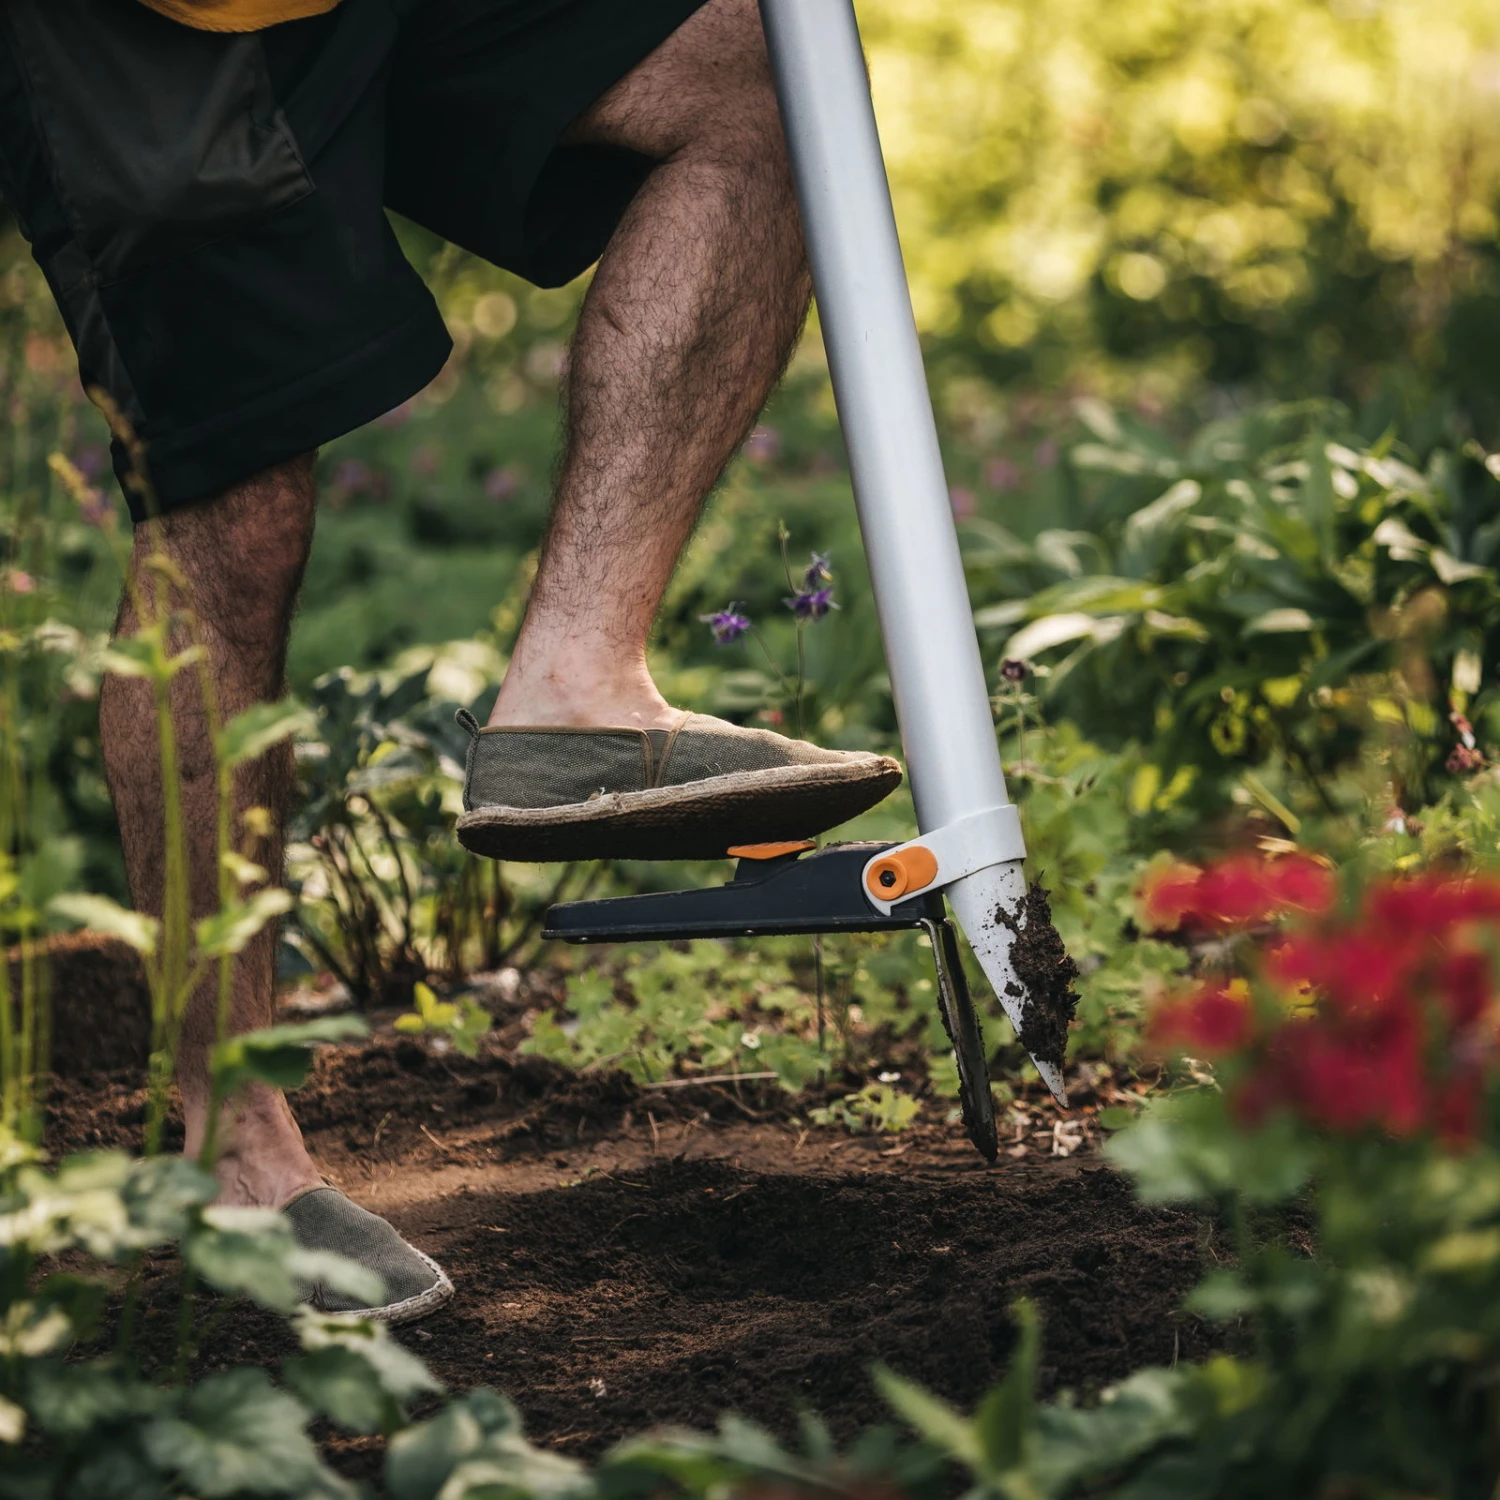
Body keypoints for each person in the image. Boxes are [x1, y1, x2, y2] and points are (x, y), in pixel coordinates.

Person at [0, 0, 903, 1321]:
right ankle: (229, 1145)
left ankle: (577, 688)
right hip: (144, 28)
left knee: (762, 89)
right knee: (230, 517)